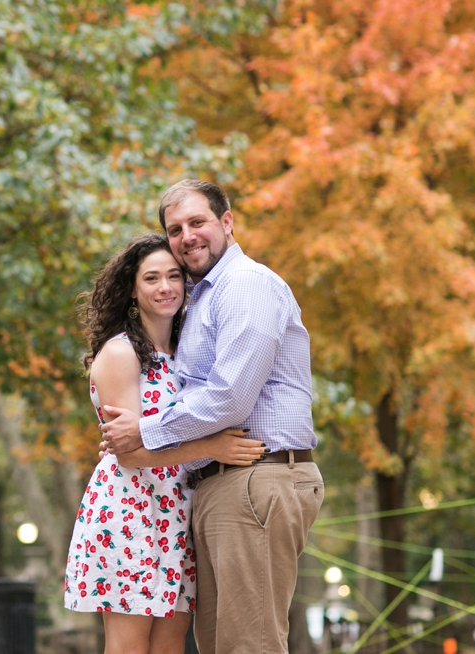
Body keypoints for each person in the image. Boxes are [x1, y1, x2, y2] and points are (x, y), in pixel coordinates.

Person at [100, 180, 324, 654]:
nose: (187, 237)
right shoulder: (202, 299)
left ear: (226, 221)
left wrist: (142, 431)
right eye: (175, 228)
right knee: (223, 642)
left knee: (251, 643)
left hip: (256, 476)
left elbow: (229, 397)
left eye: (197, 222)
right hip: (217, 486)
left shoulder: (245, 285)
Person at [64, 233, 266, 654]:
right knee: (129, 646)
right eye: (151, 278)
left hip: (177, 512)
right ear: (133, 289)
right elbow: (130, 450)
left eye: (174, 276)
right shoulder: (120, 354)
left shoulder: (187, 352)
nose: (165, 287)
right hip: (130, 507)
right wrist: (212, 448)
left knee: (171, 645)